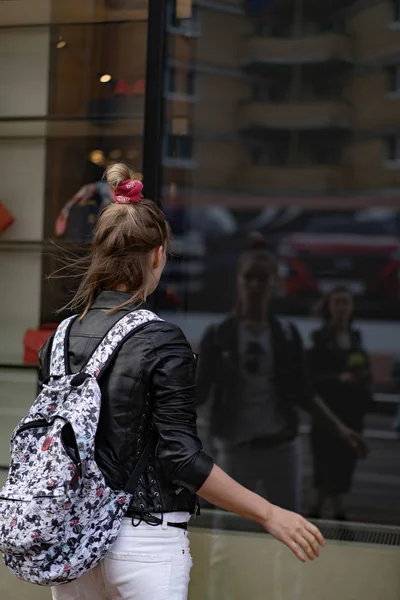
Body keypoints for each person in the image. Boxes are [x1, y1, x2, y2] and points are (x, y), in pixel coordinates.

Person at [38, 165, 324, 600]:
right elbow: (181, 458)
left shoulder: (59, 338)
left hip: (72, 542)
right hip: (144, 544)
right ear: (157, 255)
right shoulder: (161, 339)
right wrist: (269, 514)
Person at [196, 235, 367, 513]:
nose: (255, 285)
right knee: (228, 539)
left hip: (282, 449)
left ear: (274, 283)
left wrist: (341, 430)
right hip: (235, 449)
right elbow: (199, 393)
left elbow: (304, 392)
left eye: (263, 278)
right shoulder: (220, 335)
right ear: (238, 281)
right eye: (249, 277)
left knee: (287, 534)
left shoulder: (287, 335)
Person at [308, 286, 372, 520]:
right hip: (327, 412)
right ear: (329, 307)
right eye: (338, 303)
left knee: (344, 463)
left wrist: (363, 378)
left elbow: (365, 371)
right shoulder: (320, 338)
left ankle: (329, 511)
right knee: (324, 464)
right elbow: (310, 378)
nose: (342, 308)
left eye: (346, 302)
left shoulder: (356, 338)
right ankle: (330, 513)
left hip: (352, 412)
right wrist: (339, 379)